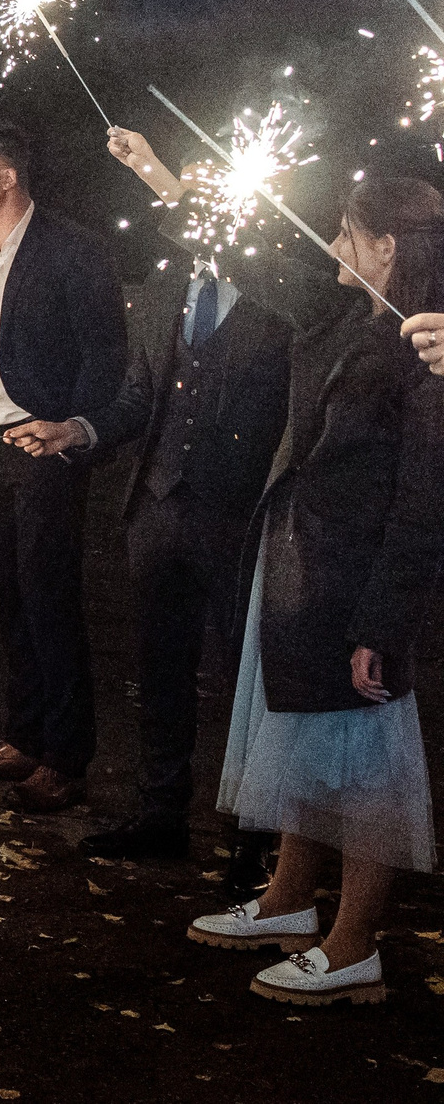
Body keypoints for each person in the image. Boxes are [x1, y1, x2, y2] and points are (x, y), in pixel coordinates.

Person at [144, 168, 443, 1005]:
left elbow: (425, 503)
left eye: (349, 232)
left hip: (357, 591)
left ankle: (354, 947)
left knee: (364, 769)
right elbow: (269, 268)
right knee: (305, 751)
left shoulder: (426, 351)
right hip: (300, 575)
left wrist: (382, 622)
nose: (333, 244)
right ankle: (287, 905)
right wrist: (174, 188)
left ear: (388, 246)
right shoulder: (347, 314)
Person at [1, 126, 295, 859]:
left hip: (238, 516)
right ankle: (161, 814)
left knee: (239, 682)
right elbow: (139, 398)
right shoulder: (167, 287)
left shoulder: (283, 296)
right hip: (157, 509)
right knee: (160, 672)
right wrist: (78, 429)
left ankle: (254, 844)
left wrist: (162, 171)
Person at [0, 120, 127, 814]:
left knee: (50, 600)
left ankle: (66, 760)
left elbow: (107, 357)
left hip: (43, 443)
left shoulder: (74, 251)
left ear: (7, 176)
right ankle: (23, 738)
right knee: (5, 598)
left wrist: (71, 428)